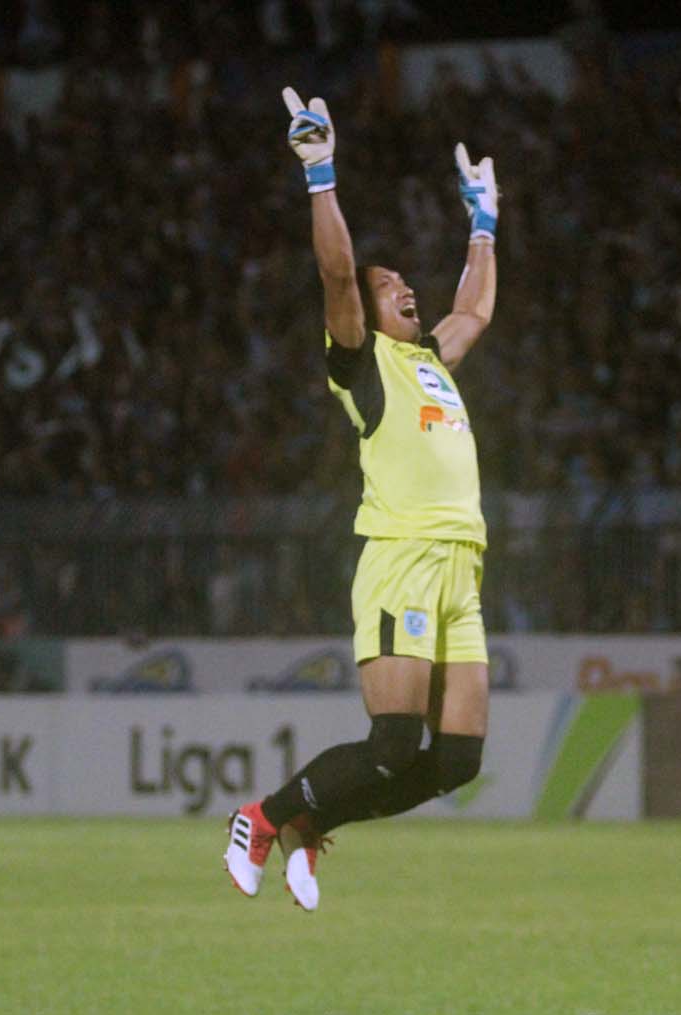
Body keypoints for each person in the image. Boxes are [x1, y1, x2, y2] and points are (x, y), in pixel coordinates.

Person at [224, 87, 499, 912]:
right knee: (392, 743)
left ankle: (312, 828)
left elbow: (476, 305)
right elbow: (337, 270)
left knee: (456, 762)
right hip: (404, 560)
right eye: (392, 286)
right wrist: (320, 174)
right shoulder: (362, 360)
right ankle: (263, 817)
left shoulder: (433, 361)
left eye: (407, 281)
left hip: (461, 570)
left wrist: (484, 219)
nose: (404, 287)